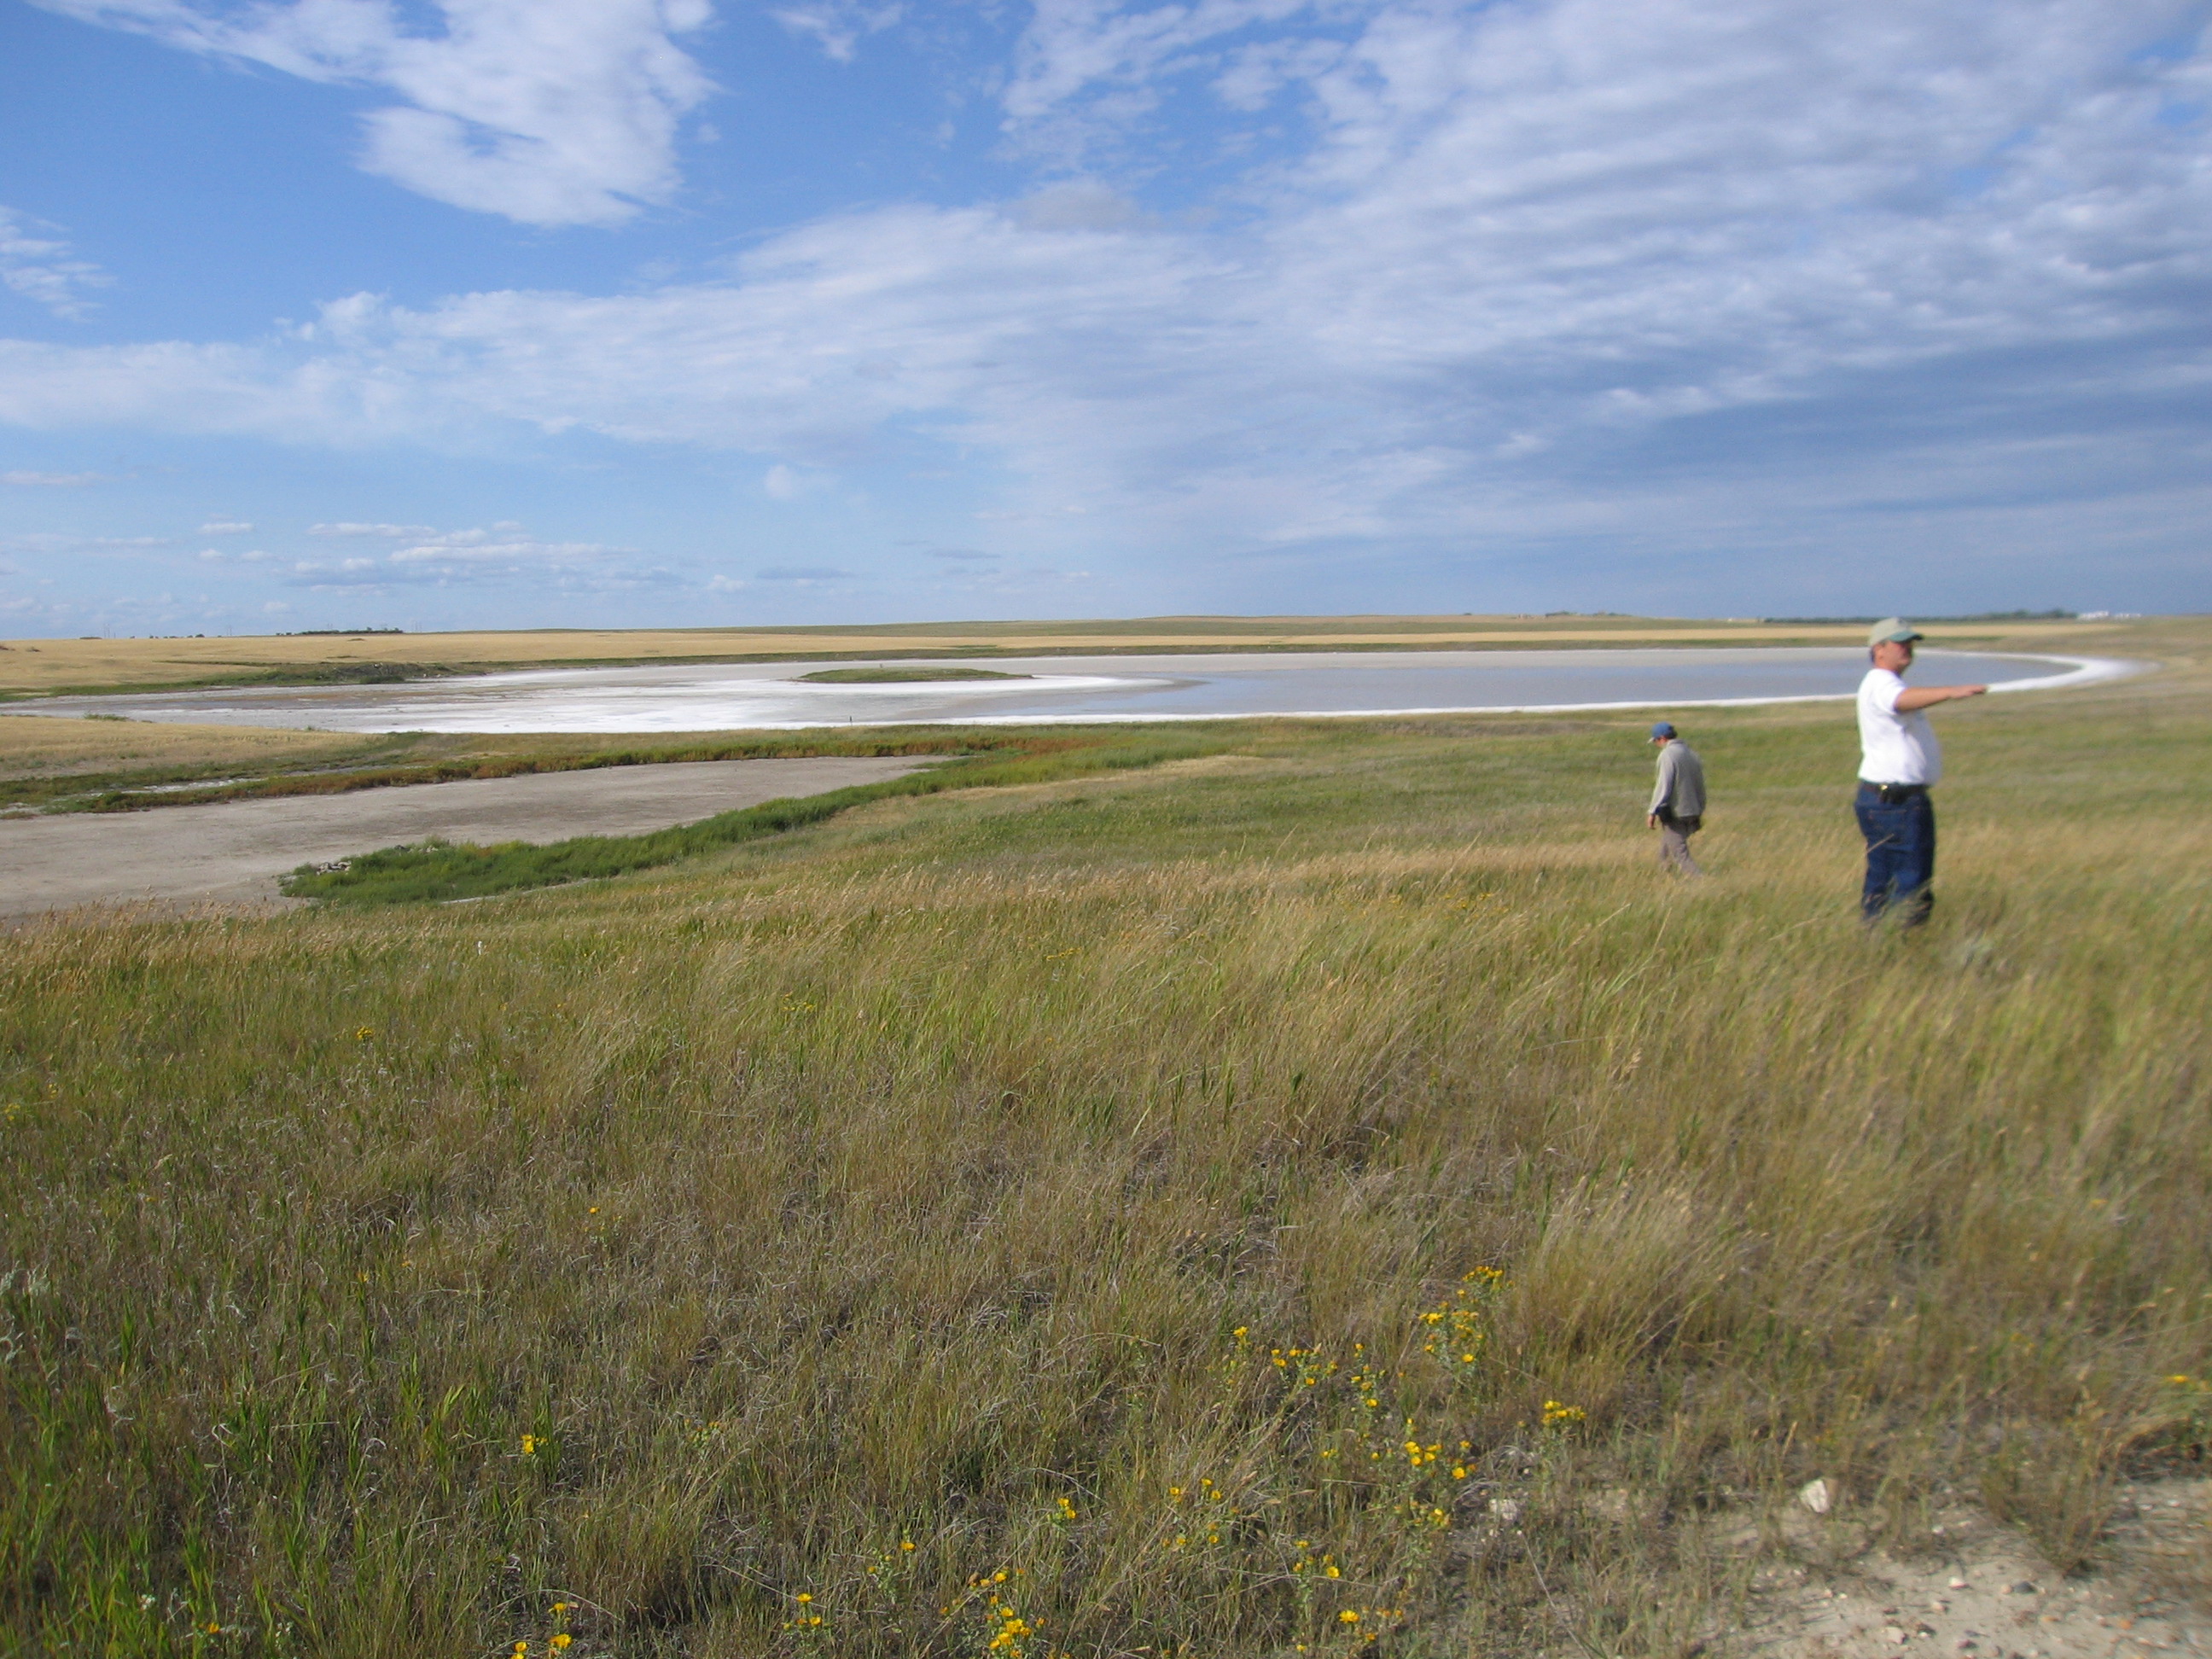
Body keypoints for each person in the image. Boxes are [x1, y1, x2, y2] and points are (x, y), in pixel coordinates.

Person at [1855, 619, 1986, 925]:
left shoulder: (1883, 682)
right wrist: (1951, 691)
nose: (1908, 649)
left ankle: (1876, 938)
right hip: (1897, 802)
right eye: (1900, 643)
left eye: (1910, 643)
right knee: (1911, 878)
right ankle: (1902, 942)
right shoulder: (1881, 683)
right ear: (1879, 649)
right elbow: (1899, 701)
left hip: (1885, 799)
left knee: (1884, 875)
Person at [1645, 720, 1706, 876]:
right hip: (1694, 810)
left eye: (1656, 742)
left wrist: (1652, 811)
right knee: (1666, 850)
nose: (1657, 745)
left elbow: (1664, 785)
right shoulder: (1691, 754)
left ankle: (1701, 881)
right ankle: (1666, 879)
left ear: (1662, 738)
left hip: (1676, 812)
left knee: (1680, 853)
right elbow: (1700, 786)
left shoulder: (1668, 755)